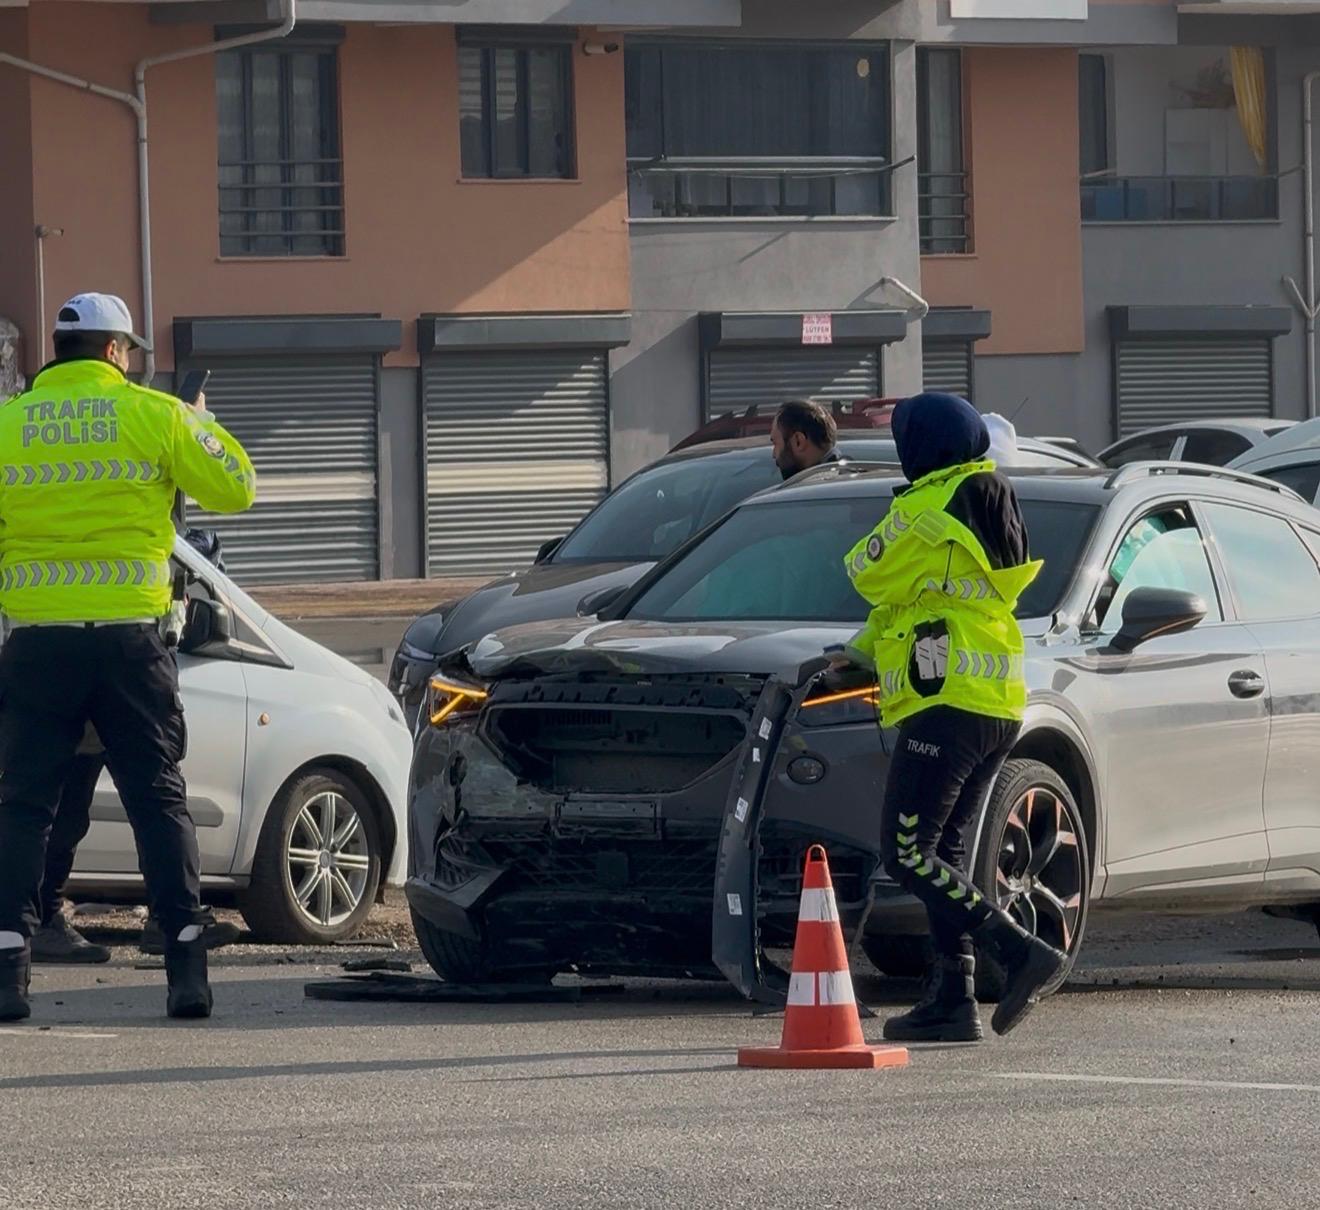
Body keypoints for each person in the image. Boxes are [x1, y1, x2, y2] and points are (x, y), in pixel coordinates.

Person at [0, 292, 256, 1022]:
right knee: (157, 799)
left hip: (38, 646)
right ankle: (185, 971)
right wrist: (199, 423)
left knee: (23, 807)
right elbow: (238, 487)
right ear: (116, 351)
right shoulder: (154, 414)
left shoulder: (8, 424)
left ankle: (6, 971)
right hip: (129, 647)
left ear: (58, 349)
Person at [838, 391, 1065, 1043]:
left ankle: (1018, 949)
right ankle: (952, 998)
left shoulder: (927, 505)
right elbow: (907, 605)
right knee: (947, 853)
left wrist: (898, 516)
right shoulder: (987, 496)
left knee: (906, 853)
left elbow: (866, 571)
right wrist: (852, 655)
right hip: (994, 703)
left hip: (946, 700)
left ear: (921, 450)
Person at [25, 529, 241, 966]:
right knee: (146, 805)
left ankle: (43, 923)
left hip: (77, 664)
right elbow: (236, 487)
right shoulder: (127, 504)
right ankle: (168, 923)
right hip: (123, 668)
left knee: (69, 806)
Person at [770, 399, 838, 480]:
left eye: (775, 444)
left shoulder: (816, 490)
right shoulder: (849, 478)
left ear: (798, 441)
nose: (773, 454)